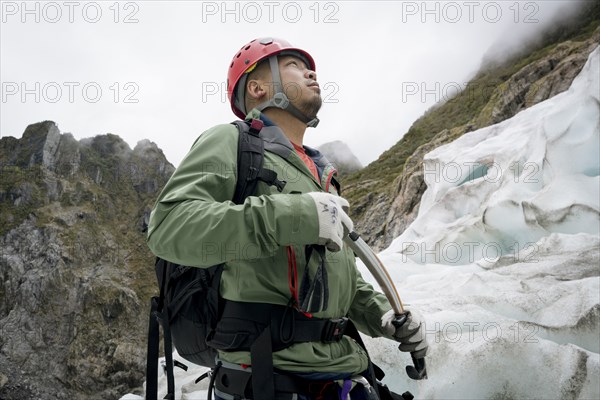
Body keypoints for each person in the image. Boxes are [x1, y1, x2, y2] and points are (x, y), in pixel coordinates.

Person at [146, 37, 428, 400]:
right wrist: (296, 215)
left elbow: (339, 278)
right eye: (294, 65)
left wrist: (382, 317)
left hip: (348, 376)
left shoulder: (321, 171)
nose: (311, 71)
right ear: (258, 87)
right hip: (266, 380)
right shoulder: (230, 141)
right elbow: (169, 225)